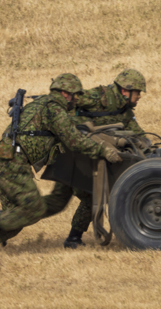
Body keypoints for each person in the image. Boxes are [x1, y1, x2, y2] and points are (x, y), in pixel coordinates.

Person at [0, 74, 123, 258]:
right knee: (33, 209)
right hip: (14, 165)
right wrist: (104, 150)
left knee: (16, 221)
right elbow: (74, 141)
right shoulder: (54, 109)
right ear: (65, 93)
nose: (77, 99)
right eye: (75, 95)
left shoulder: (41, 105)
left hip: (7, 163)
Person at [57, 68, 147, 249]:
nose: (139, 96)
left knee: (57, 202)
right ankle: (72, 238)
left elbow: (140, 137)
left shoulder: (125, 111)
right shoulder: (98, 97)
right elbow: (66, 100)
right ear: (125, 91)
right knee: (89, 195)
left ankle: (73, 238)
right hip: (77, 153)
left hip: (94, 154)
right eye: (137, 92)